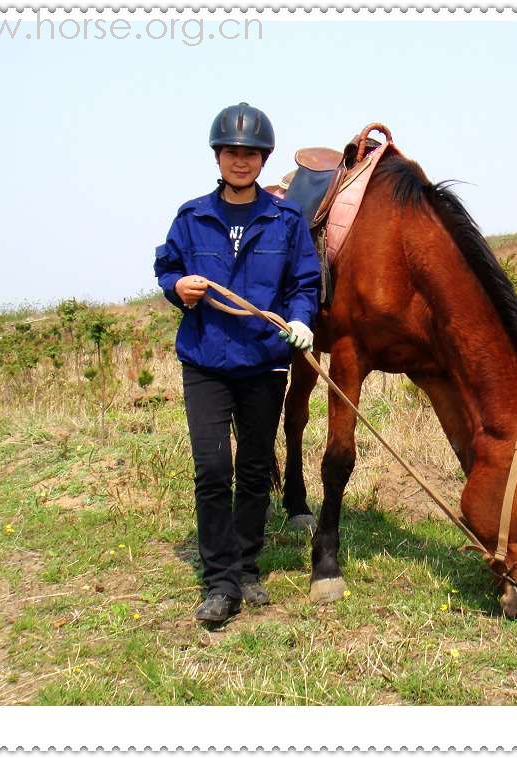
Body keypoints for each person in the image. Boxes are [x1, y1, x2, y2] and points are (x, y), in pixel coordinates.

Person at [154, 103, 321, 623]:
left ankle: (246, 566)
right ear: (218, 156)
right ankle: (219, 581)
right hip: (205, 359)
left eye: (250, 153)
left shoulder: (286, 220)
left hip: (264, 361)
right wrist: (176, 287)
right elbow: (167, 268)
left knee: (252, 469)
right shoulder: (192, 216)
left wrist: (300, 320)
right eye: (232, 151)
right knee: (211, 469)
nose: (241, 161)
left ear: (263, 159)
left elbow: (303, 283)